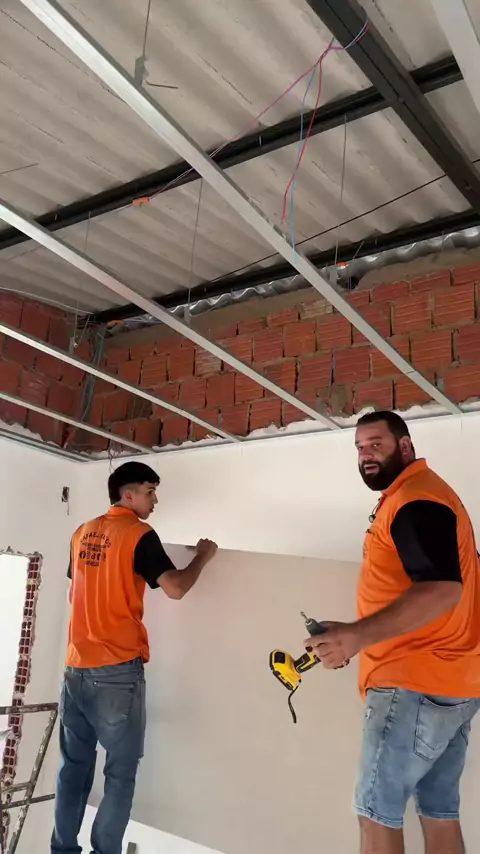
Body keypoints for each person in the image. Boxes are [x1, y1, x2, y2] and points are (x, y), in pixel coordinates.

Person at [305, 411, 480, 854]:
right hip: (456, 683)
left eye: (376, 444)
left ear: (404, 446)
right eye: (359, 447)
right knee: (439, 813)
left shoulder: (415, 500)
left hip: (412, 684)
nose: (365, 454)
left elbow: (443, 590)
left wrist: (355, 638)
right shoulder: (430, 496)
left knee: (375, 814)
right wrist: (354, 632)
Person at [51, 461, 217, 854]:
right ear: (129, 495)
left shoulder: (81, 532)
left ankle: (62, 849)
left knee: (73, 769)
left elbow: (74, 594)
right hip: (116, 674)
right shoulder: (138, 534)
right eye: (150, 491)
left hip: (75, 668)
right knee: (120, 774)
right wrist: (203, 557)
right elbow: (175, 588)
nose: (154, 500)